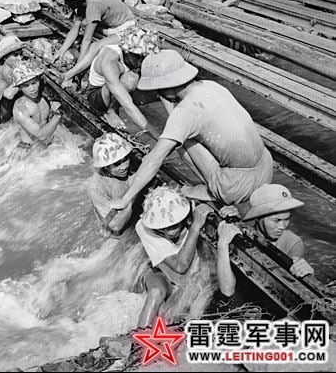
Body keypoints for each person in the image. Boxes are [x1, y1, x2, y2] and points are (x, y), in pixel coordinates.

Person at [111, 49, 273, 209]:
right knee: (180, 131)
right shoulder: (211, 86)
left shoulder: (185, 112)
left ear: (166, 88)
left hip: (237, 187)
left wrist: (125, 199)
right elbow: (180, 114)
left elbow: (155, 159)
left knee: (180, 140)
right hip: (266, 169)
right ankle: (219, 184)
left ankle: (214, 191)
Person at [216, 184, 314, 307]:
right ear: (258, 217)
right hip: (242, 301)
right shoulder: (241, 235)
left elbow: (297, 285)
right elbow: (227, 291)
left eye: (287, 219)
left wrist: (305, 272)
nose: (282, 227)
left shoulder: (293, 242)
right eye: (276, 220)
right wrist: (222, 245)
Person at [134, 185, 214, 328]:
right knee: (156, 292)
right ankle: (139, 338)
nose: (168, 231)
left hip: (192, 279)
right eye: (162, 227)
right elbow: (180, 265)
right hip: (162, 274)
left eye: (172, 226)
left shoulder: (187, 211)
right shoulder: (143, 227)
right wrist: (195, 227)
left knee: (185, 315)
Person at [67, 25, 159, 131]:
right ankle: (111, 111)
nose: (140, 61)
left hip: (115, 88)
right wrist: (150, 131)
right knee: (131, 79)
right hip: (96, 96)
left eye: (144, 57)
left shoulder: (131, 52)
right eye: (138, 57)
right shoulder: (110, 62)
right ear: (127, 51)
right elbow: (128, 105)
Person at [52, 0, 135, 79]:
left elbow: (87, 39)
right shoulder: (84, 3)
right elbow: (75, 29)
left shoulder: (93, 6)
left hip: (129, 29)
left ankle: (69, 75)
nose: (66, 3)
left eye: (68, 0)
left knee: (95, 46)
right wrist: (61, 52)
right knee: (84, 24)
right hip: (115, 26)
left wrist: (78, 66)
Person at [87, 133, 135, 238]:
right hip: (118, 232)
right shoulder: (96, 188)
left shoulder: (128, 166)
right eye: (117, 164)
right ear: (105, 166)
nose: (124, 166)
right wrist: (133, 195)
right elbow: (115, 225)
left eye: (125, 159)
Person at [12, 62, 62, 149]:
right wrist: (58, 115)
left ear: (39, 80)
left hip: (46, 145)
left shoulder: (45, 96)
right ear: (20, 87)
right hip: (29, 149)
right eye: (26, 86)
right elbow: (41, 135)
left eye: (34, 83)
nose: (32, 89)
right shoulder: (20, 109)